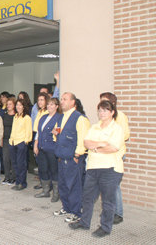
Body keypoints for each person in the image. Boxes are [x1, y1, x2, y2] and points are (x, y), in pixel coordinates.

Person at [69, 100, 124, 238]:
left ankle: (105, 227)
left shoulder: (117, 128)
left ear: (112, 112)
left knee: (107, 201)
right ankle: (84, 222)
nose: (102, 113)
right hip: (93, 168)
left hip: (110, 169)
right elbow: (86, 142)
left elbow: (113, 148)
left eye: (105, 110)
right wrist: (101, 144)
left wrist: (95, 148)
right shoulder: (94, 127)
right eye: (100, 110)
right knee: (87, 197)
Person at [53, 92, 90, 223]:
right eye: (61, 99)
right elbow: (56, 133)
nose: (62, 101)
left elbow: (83, 139)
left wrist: (77, 155)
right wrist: (55, 135)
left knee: (74, 186)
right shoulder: (61, 117)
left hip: (73, 159)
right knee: (63, 185)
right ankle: (67, 207)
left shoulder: (80, 118)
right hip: (61, 158)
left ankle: (76, 212)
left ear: (73, 102)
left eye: (65, 99)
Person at [100, 92, 130, 225]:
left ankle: (118, 213)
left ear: (112, 103)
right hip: (105, 154)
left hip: (116, 154)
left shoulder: (120, 116)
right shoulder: (103, 118)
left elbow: (125, 135)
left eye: (104, 101)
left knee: (114, 186)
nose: (101, 105)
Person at [33, 98, 62, 201]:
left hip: (52, 148)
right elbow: (38, 132)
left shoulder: (59, 117)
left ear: (57, 106)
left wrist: (57, 131)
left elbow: (60, 130)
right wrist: (36, 145)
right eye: (48, 104)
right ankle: (45, 191)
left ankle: (56, 193)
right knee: (43, 170)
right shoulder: (43, 117)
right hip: (41, 148)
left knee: (54, 170)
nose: (49, 106)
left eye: (52, 104)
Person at [9, 99, 32, 190]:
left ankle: (22, 183)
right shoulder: (15, 116)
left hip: (21, 143)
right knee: (15, 164)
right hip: (13, 143)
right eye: (17, 105)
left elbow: (29, 132)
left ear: (24, 106)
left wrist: (25, 142)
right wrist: (11, 140)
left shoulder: (27, 118)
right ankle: (17, 182)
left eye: (20, 105)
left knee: (21, 164)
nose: (18, 107)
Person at [32, 92, 50, 188]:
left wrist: (37, 142)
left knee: (45, 164)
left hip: (43, 138)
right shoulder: (39, 111)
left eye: (42, 100)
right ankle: (43, 182)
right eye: (38, 100)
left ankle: (46, 184)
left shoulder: (47, 112)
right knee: (40, 163)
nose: (39, 102)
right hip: (36, 136)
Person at [2, 98, 16, 185]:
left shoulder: (17, 116)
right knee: (5, 158)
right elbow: (2, 128)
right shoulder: (4, 115)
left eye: (10, 104)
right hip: (5, 139)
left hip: (14, 139)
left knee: (13, 159)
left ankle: (13, 177)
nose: (8, 106)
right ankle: (7, 177)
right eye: (7, 104)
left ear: (14, 105)